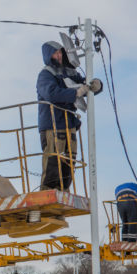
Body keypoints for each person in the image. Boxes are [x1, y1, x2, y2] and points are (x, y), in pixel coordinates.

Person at [36, 41, 102, 191]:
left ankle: (63, 189)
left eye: (60, 52)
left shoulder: (70, 73)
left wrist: (95, 85)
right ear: (48, 55)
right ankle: (48, 190)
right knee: (54, 158)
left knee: (69, 159)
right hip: (52, 123)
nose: (59, 56)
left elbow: (84, 83)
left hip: (69, 123)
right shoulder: (46, 75)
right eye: (55, 53)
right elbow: (51, 93)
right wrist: (75, 93)